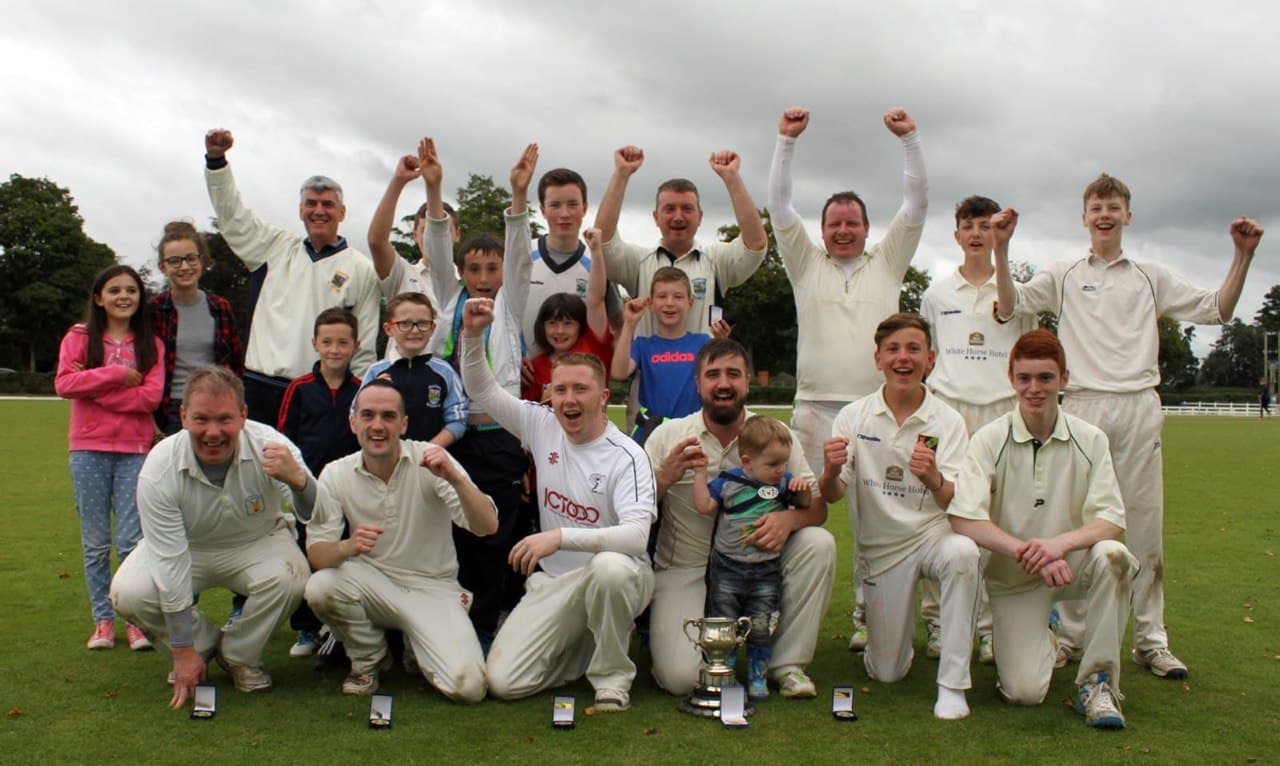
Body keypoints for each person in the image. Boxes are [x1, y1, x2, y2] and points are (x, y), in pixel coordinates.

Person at [993, 175, 1265, 678]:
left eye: (1114, 206)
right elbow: (1011, 306)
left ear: (1128, 216)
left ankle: (1150, 638)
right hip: (1081, 408)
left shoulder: (1149, 275)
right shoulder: (1065, 273)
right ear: (1084, 216)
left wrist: (1242, 257)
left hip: (1138, 405)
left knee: (1142, 523)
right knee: (1076, 521)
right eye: (1097, 206)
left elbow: (1218, 310)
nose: (1105, 214)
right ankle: (1071, 636)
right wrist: (1002, 251)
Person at [768, 106, 928, 650]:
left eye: (852, 222)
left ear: (866, 228)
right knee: (802, 514)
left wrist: (909, 141)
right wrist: (786, 142)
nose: (842, 230)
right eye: (834, 223)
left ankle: (867, 618)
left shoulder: (887, 262)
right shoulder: (803, 263)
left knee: (875, 521)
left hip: (877, 410)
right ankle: (784, 613)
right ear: (823, 229)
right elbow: (778, 205)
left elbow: (917, 205)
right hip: (814, 409)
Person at [460, 297, 657, 713]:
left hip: (619, 578)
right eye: (560, 389)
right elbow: (481, 388)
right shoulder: (541, 423)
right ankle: (586, 645)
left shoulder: (627, 455)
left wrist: (560, 536)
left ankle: (611, 678)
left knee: (609, 568)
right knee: (503, 682)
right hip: (555, 582)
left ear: (603, 396)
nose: (569, 399)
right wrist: (473, 334)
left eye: (581, 389)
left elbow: (638, 537)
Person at [948, 329, 1137, 729]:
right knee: (1025, 694)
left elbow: (1111, 519)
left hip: (1071, 566)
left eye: (1046, 378)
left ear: (1064, 378)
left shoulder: (1091, 439)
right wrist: (1027, 552)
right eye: (1025, 378)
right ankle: (1046, 633)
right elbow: (964, 518)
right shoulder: (988, 439)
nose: (1034, 389)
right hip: (1015, 579)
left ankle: (1098, 683)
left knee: (1115, 557)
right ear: (1012, 378)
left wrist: (1058, 545)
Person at [109, 366, 314, 707]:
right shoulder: (159, 467)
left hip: (257, 542)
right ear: (184, 415)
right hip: (186, 547)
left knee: (292, 578)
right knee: (129, 593)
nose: (213, 433)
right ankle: (201, 646)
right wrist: (182, 648)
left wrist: (300, 482)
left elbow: (314, 514)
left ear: (244, 416)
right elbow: (170, 561)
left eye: (225, 419)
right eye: (202, 419)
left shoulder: (273, 447)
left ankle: (238, 654)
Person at [644, 339, 835, 700]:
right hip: (686, 568)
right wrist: (666, 476)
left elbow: (819, 510)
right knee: (682, 680)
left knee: (818, 543)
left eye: (733, 374)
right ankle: (681, 646)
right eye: (712, 375)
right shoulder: (670, 435)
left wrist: (790, 521)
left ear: (747, 382)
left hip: (757, 565)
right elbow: (635, 510)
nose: (723, 384)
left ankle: (785, 665)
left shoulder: (776, 436)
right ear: (698, 383)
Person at [818, 314, 978, 720]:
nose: (903, 358)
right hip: (882, 550)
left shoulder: (950, 420)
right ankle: (890, 636)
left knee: (963, 553)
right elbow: (833, 495)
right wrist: (830, 471)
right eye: (893, 350)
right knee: (887, 672)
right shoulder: (854, 417)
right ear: (877, 359)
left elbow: (953, 502)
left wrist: (933, 477)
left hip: (932, 537)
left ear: (931, 358)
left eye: (913, 349)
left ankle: (953, 686)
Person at [304, 380, 497, 700]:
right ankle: (368, 659)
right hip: (373, 587)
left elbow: (487, 526)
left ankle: (415, 643)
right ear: (353, 423)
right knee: (321, 586)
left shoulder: (430, 460)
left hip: (432, 588)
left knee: (470, 689)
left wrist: (455, 478)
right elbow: (317, 556)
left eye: (388, 416)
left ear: (403, 424)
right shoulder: (335, 474)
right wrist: (347, 546)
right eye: (367, 415)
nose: (377, 425)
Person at [420, 138, 535, 649]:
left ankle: (487, 624)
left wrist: (518, 196)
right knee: (450, 532)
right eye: (475, 270)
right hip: (452, 433)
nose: (485, 278)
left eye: (492, 269)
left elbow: (517, 256)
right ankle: (448, 621)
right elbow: (438, 249)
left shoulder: (509, 303)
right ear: (462, 274)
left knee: (494, 534)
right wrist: (433, 187)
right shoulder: (448, 301)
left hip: (499, 436)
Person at [918, 196, 1035, 664]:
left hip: (1000, 413)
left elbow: (1023, 344)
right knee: (938, 513)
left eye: (985, 226)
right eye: (968, 225)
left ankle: (989, 627)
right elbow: (929, 358)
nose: (976, 233)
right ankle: (937, 622)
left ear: (996, 233)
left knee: (995, 518)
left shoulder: (1018, 292)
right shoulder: (936, 294)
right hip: (947, 413)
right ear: (956, 234)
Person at [202, 128, 380, 424]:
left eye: (327, 204)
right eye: (311, 203)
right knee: (257, 468)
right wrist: (217, 161)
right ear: (300, 211)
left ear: (342, 212)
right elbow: (231, 215)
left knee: (313, 470)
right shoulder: (274, 248)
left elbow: (365, 344)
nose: (318, 211)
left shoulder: (360, 268)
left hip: (321, 391)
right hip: (260, 386)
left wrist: (358, 401)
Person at [55, 264, 165, 652]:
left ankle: (135, 620)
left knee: (133, 540)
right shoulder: (79, 337)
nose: (123, 297)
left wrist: (94, 385)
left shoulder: (152, 345)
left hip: (135, 450)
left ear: (140, 298)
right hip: (87, 449)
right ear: (99, 297)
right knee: (96, 542)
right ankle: (103, 621)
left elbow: (150, 398)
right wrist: (116, 375)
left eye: (131, 290)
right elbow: (65, 384)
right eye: (114, 290)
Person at [692, 414, 811, 700]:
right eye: (772, 464)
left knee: (761, 625)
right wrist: (699, 473)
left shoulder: (784, 483)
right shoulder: (729, 482)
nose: (779, 470)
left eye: (783, 463)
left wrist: (801, 491)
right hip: (727, 568)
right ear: (746, 462)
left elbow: (806, 506)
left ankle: (758, 674)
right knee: (725, 624)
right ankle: (726, 670)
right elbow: (704, 506)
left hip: (765, 570)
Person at [595, 148, 767, 341]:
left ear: (700, 217)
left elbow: (755, 244)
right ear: (656, 217)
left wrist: (732, 178)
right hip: (648, 370)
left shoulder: (717, 260)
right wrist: (621, 174)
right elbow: (602, 242)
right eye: (669, 209)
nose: (678, 217)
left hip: (701, 370)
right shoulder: (637, 262)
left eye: (687, 208)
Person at [276, 306, 363, 657]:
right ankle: (306, 629)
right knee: (304, 552)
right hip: (309, 489)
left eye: (343, 342)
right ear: (315, 343)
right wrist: (295, 481)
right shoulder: (299, 388)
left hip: (348, 488)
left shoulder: (362, 389)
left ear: (355, 345)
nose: (335, 349)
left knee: (345, 553)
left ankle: (341, 624)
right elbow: (283, 437)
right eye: (327, 342)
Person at [149, 221, 244, 435]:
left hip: (215, 405)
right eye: (175, 261)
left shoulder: (220, 308)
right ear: (163, 267)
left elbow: (235, 366)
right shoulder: (153, 311)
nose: (184, 267)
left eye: (191, 258)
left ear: (202, 261)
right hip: (169, 409)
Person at [611, 267, 726, 443]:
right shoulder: (643, 345)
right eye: (662, 296)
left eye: (678, 297)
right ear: (650, 303)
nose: (670, 303)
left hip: (693, 431)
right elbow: (619, 373)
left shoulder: (703, 343)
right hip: (652, 433)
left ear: (690, 303)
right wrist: (629, 324)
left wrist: (722, 344)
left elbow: (722, 382)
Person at [366, 152, 462, 359]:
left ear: (457, 235)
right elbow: (376, 241)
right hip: (397, 382)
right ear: (415, 235)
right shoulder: (402, 274)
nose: (433, 238)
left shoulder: (467, 283)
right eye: (425, 230)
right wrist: (399, 181)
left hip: (446, 381)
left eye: (443, 230)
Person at [520, 168, 624, 357]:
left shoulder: (598, 264)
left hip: (579, 380)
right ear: (542, 210)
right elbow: (502, 318)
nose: (565, 214)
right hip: (526, 380)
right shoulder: (522, 257)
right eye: (555, 205)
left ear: (584, 208)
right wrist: (513, 357)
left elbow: (618, 325)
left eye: (572, 204)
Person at [360, 292, 467, 446]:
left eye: (423, 323)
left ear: (432, 328)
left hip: (431, 462)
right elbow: (357, 415)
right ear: (388, 328)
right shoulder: (376, 372)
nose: (415, 330)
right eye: (405, 324)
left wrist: (428, 451)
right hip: (386, 462)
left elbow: (458, 419)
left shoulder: (444, 372)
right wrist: (375, 393)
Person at [522, 227, 614, 404]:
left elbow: (596, 299)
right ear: (542, 327)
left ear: (581, 326)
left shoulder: (593, 348)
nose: (560, 331)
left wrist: (596, 251)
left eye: (568, 323)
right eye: (552, 323)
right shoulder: (534, 368)